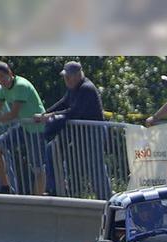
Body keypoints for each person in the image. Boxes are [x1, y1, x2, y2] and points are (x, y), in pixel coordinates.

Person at [34, 61, 111, 199]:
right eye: (65, 76)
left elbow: (74, 112)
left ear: (77, 76)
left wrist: (51, 116)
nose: (66, 79)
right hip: (80, 132)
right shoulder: (72, 88)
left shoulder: (86, 88)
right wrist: (45, 114)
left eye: (69, 76)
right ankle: (56, 189)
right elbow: (63, 103)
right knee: (52, 149)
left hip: (94, 133)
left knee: (95, 167)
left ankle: (105, 200)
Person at [0, 61, 46, 195]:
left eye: (2, 77)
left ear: (10, 73)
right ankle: (5, 187)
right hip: (24, 127)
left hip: (37, 129)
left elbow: (12, 114)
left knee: (38, 168)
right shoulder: (4, 89)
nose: (1, 81)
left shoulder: (21, 85)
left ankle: (37, 201)